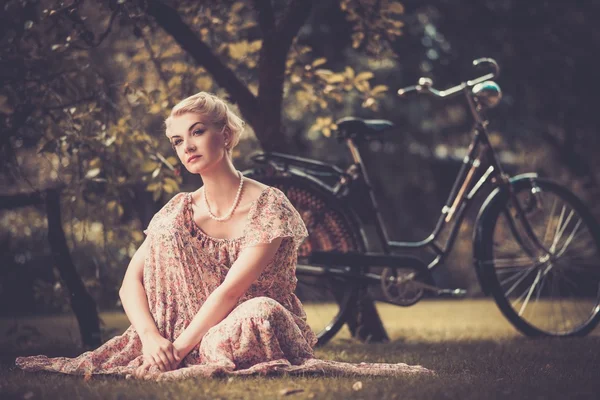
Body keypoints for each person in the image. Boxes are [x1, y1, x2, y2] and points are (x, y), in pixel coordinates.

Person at [15, 92, 433, 380]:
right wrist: (151, 338)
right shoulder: (178, 210)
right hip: (174, 330)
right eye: (178, 140)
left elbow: (232, 292)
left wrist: (176, 353)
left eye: (197, 132)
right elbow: (130, 282)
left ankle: (195, 349)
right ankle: (182, 346)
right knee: (168, 231)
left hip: (243, 325)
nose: (187, 147)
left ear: (226, 135)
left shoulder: (270, 205)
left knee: (262, 312)